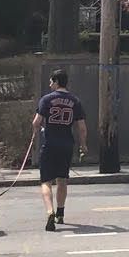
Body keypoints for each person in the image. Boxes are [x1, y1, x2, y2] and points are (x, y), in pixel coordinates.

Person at [26, 70, 88, 231]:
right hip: (67, 144)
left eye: (50, 81)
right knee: (62, 179)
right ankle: (61, 212)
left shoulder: (46, 99)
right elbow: (81, 127)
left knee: (46, 181)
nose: (49, 84)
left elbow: (36, 122)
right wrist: (83, 145)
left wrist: (36, 133)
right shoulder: (75, 101)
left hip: (50, 144)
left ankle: (49, 211)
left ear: (56, 81)